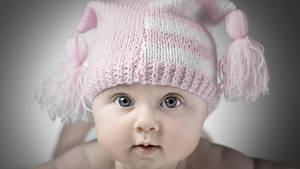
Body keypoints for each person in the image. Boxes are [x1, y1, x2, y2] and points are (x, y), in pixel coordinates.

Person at [32, 0, 298, 168]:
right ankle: (86, 120)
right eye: (124, 100)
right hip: (88, 140)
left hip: (189, 145)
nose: (146, 122)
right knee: (69, 143)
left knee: (195, 142)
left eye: (171, 100)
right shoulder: (87, 161)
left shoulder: (210, 160)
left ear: (206, 111)